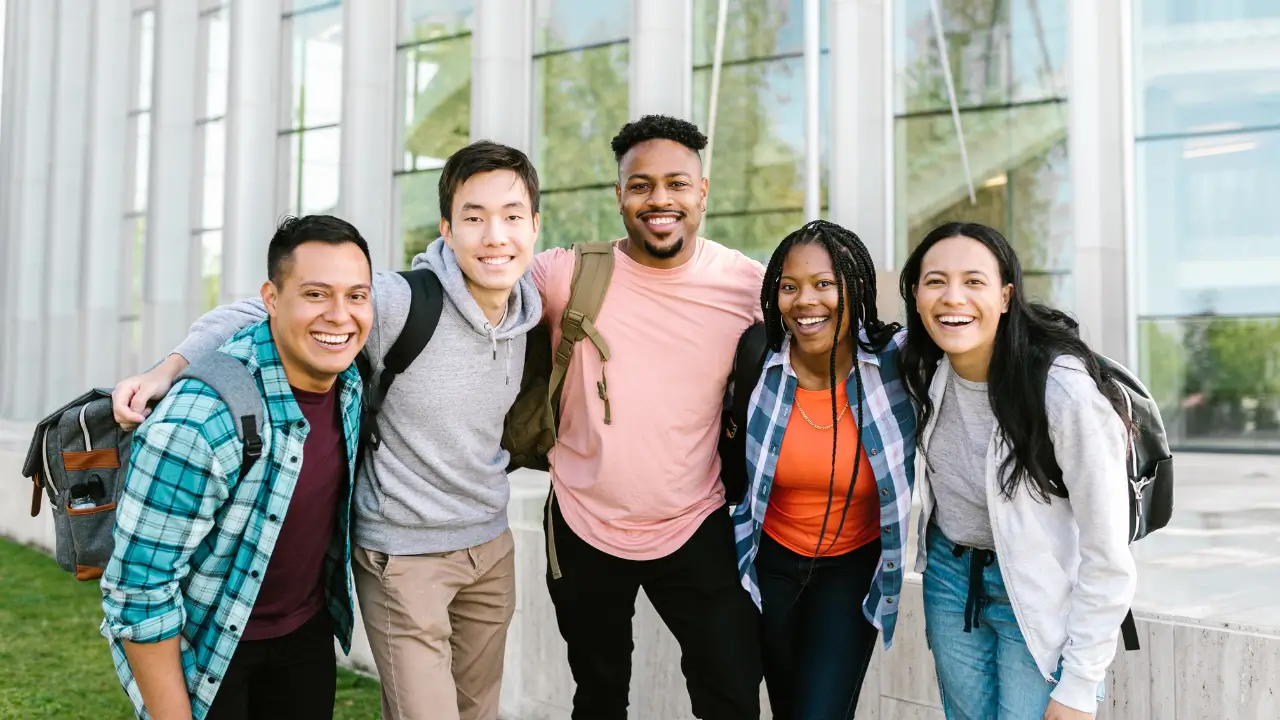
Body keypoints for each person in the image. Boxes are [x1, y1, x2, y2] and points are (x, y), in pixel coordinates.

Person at [109, 141, 544, 720]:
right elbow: (262, 311)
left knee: (478, 711)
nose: (495, 235)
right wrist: (168, 368)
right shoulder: (396, 302)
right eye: (474, 217)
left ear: (535, 225)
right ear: (446, 227)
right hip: (403, 555)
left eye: (512, 217)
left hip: (484, 545)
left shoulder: (532, 306)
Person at [530, 114, 765, 720]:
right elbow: (470, 276)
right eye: (641, 185)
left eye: (677, 184)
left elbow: (833, 328)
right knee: (600, 698)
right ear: (619, 196)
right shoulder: (567, 275)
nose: (660, 200)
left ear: (703, 191)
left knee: (731, 695)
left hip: (697, 521)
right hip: (583, 525)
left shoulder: (747, 286)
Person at [100, 215, 374, 720]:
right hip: (209, 645)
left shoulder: (351, 379)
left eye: (356, 296)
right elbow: (137, 592)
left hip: (304, 633)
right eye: (316, 294)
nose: (340, 316)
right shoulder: (200, 420)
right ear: (271, 299)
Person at [896, 221, 1137, 720]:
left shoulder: (1061, 390)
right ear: (916, 294)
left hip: (1036, 589)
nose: (952, 297)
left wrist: (1081, 682)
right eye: (935, 281)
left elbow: (1107, 552)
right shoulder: (923, 366)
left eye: (974, 281)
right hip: (950, 580)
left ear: (1006, 296)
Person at [728, 219, 917, 720]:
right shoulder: (758, 358)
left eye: (824, 284)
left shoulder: (897, 363)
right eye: (789, 287)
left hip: (852, 568)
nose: (804, 300)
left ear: (855, 289)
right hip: (769, 563)